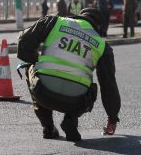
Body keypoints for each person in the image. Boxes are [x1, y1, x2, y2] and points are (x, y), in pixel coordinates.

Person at [17, 8, 121, 142]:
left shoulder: (55, 22)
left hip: (43, 93)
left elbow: (24, 41)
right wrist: (112, 117)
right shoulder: (102, 46)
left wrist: (35, 60)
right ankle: (70, 119)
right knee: (92, 87)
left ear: (79, 16)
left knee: (30, 67)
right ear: (99, 26)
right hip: (76, 102)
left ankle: (48, 127)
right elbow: (109, 85)